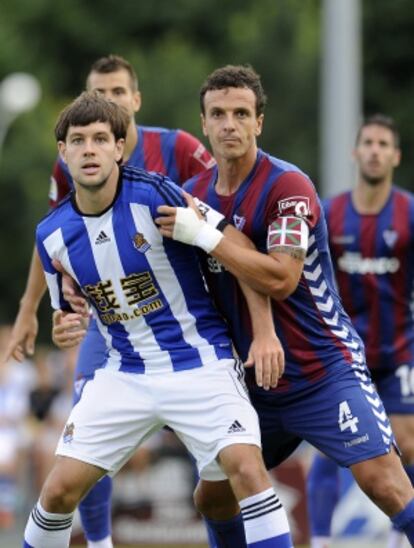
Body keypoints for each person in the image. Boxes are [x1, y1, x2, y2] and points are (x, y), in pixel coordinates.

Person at [153, 65, 414, 547]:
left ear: (259, 122)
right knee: (213, 498)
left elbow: (281, 277)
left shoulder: (287, 186)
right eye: (218, 114)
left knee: (385, 483)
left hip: (322, 370)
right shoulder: (200, 197)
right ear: (204, 123)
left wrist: (207, 237)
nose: (229, 123)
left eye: (241, 113)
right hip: (252, 383)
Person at [23, 91, 292, 548]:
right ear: (62, 152)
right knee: (57, 491)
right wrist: (62, 325)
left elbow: (241, 250)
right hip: (123, 373)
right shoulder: (51, 236)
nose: (89, 149)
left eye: (100, 139)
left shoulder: (156, 194)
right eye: (78, 140)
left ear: (119, 148)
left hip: (200, 363)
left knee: (247, 470)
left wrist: (263, 332)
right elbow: (66, 314)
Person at [6, 54, 215, 548]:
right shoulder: (74, 162)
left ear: (135, 100)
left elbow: (217, 214)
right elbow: (53, 241)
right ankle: (100, 543)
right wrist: (29, 311)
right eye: (97, 94)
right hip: (112, 318)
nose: (107, 102)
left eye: (117, 93)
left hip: (186, 320)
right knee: (85, 424)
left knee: (230, 458)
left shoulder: (178, 149)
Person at [306, 114, 414, 548]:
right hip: (342, 357)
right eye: (367, 142)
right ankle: (320, 541)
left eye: (383, 144)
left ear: (395, 156)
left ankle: (397, 539)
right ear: (355, 152)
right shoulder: (329, 214)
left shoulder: (409, 213)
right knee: (332, 448)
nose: (374, 150)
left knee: (406, 441)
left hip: (398, 352)